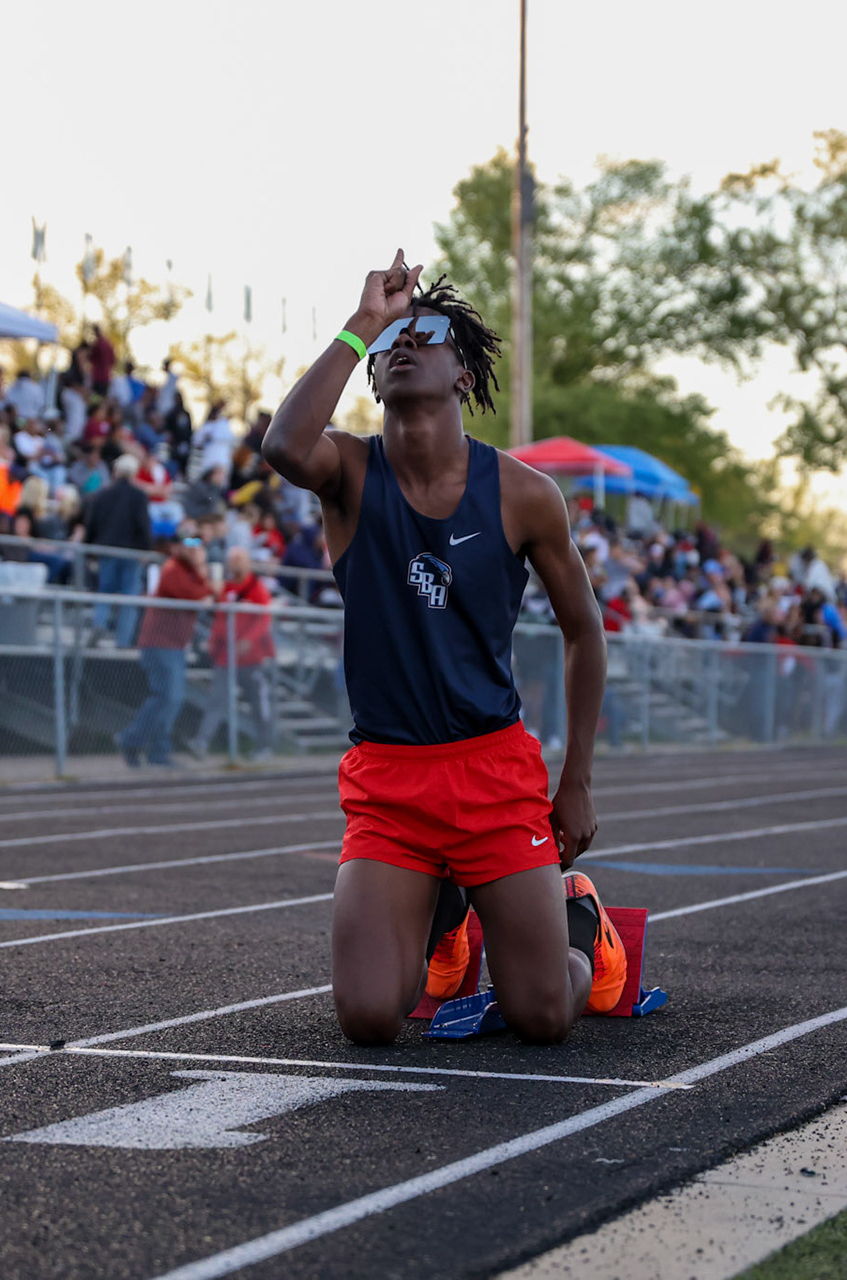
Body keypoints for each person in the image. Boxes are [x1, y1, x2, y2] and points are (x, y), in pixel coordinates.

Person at [262, 252, 618, 1046]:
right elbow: (284, 445)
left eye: (425, 333)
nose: (402, 344)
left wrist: (578, 781)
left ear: (463, 374)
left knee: (541, 1015)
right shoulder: (350, 471)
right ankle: (445, 924)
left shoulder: (525, 492)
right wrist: (364, 322)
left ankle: (584, 929)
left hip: (492, 773)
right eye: (392, 339)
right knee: (367, 1019)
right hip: (390, 780)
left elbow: (583, 629)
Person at [119, 523, 213, 766]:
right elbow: (197, 594)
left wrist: (202, 576)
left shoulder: (188, 569)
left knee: (170, 698)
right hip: (159, 643)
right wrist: (202, 570)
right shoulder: (173, 569)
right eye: (190, 544)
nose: (195, 549)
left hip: (175, 645)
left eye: (198, 545)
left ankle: (156, 751)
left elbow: (213, 595)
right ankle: (132, 740)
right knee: (169, 697)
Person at [187, 545, 277, 759]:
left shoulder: (257, 588)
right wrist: (213, 639)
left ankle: (264, 746)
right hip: (226, 657)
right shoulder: (227, 589)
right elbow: (220, 619)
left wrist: (248, 640)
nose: (234, 563)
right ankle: (201, 742)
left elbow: (264, 618)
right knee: (217, 699)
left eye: (238, 559)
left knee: (258, 703)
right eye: (232, 559)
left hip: (252, 659)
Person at [73, 452, 153, 647]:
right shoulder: (139, 497)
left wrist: (90, 549)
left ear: (116, 471)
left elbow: (91, 524)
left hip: (107, 551)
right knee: (128, 597)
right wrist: (146, 549)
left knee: (105, 592)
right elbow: (143, 525)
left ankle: (99, 626)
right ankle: (122, 642)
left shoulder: (103, 495)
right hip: (131, 554)